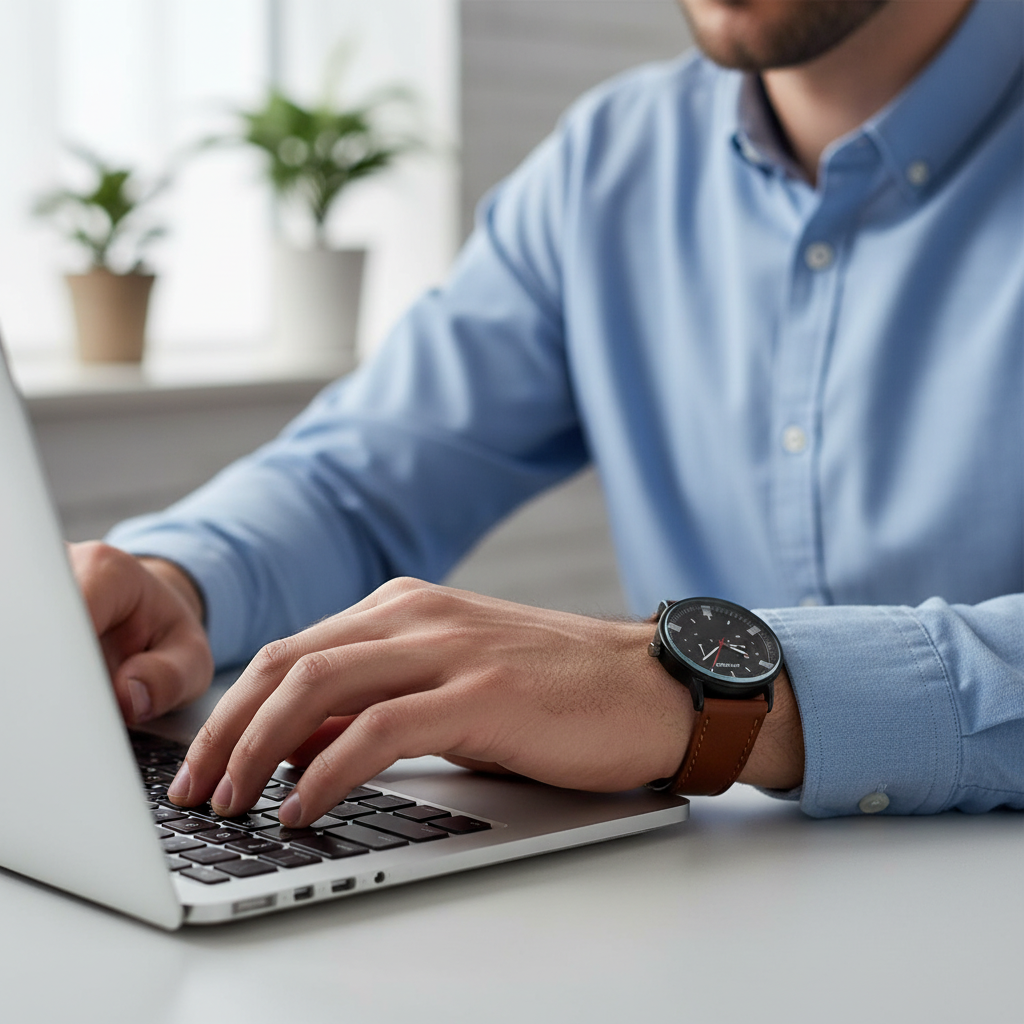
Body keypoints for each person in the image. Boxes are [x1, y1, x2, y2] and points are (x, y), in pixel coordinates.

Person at [71, 0, 1023, 828]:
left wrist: (695, 695)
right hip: (695, 913)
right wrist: (180, 578)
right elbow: (359, 476)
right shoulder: (610, 161)